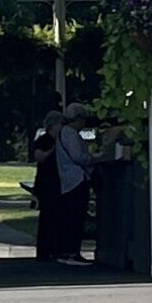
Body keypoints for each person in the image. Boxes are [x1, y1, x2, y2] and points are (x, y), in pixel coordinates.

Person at [53, 102, 98, 266]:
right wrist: (94, 158)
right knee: (75, 217)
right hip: (76, 180)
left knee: (70, 217)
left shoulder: (63, 133)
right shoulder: (70, 134)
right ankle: (72, 252)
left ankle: (66, 251)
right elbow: (78, 156)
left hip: (68, 180)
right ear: (77, 119)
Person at [30, 110, 63, 260]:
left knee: (56, 217)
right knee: (47, 217)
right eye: (60, 124)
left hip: (57, 182)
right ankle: (44, 250)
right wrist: (52, 151)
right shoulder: (44, 140)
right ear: (52, 125)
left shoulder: (61, 141)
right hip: (46, 182)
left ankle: (54, 248)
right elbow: (39, 157)